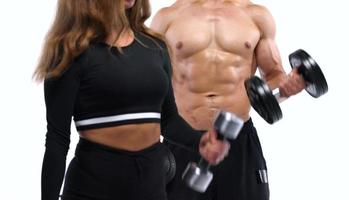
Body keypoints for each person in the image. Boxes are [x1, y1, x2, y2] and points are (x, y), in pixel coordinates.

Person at [33, 0, 230, 200]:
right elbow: (57, 140)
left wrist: (200, 141)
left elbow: (168, 120)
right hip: (93, 188)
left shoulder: (155, 47)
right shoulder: (70, 53)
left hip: (151, 186)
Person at [151, 0, 306, 200]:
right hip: (184, 143)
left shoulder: (256, 16)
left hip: (238, 143)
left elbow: (274, 74)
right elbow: (150, 82)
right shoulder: (167, 17)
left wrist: (287, 87)